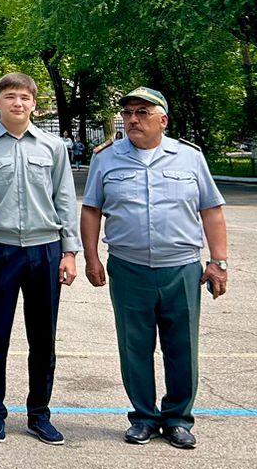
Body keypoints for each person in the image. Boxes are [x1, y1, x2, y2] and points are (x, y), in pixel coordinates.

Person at [81, 87, 229, 450]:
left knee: (182, 348)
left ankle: (178, 419)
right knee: (135, 346)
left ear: (163, 120)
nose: (132, 119)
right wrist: (91, 257)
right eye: (128, 113)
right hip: (129, 268)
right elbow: (91, 210)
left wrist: (218, 261)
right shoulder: (107, 158)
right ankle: (143, 418)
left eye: (142, 112)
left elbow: (211, 210)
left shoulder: (189, 158)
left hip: (180, 268)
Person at [0, 72, 79, 444]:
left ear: (34, 104)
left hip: (45, 250)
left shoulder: (52, 147)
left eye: (25, 97)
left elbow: (64, 199)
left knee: (43, 338)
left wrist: (70, 251)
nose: (18, 103)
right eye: (10, 96)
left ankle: (39, 413)